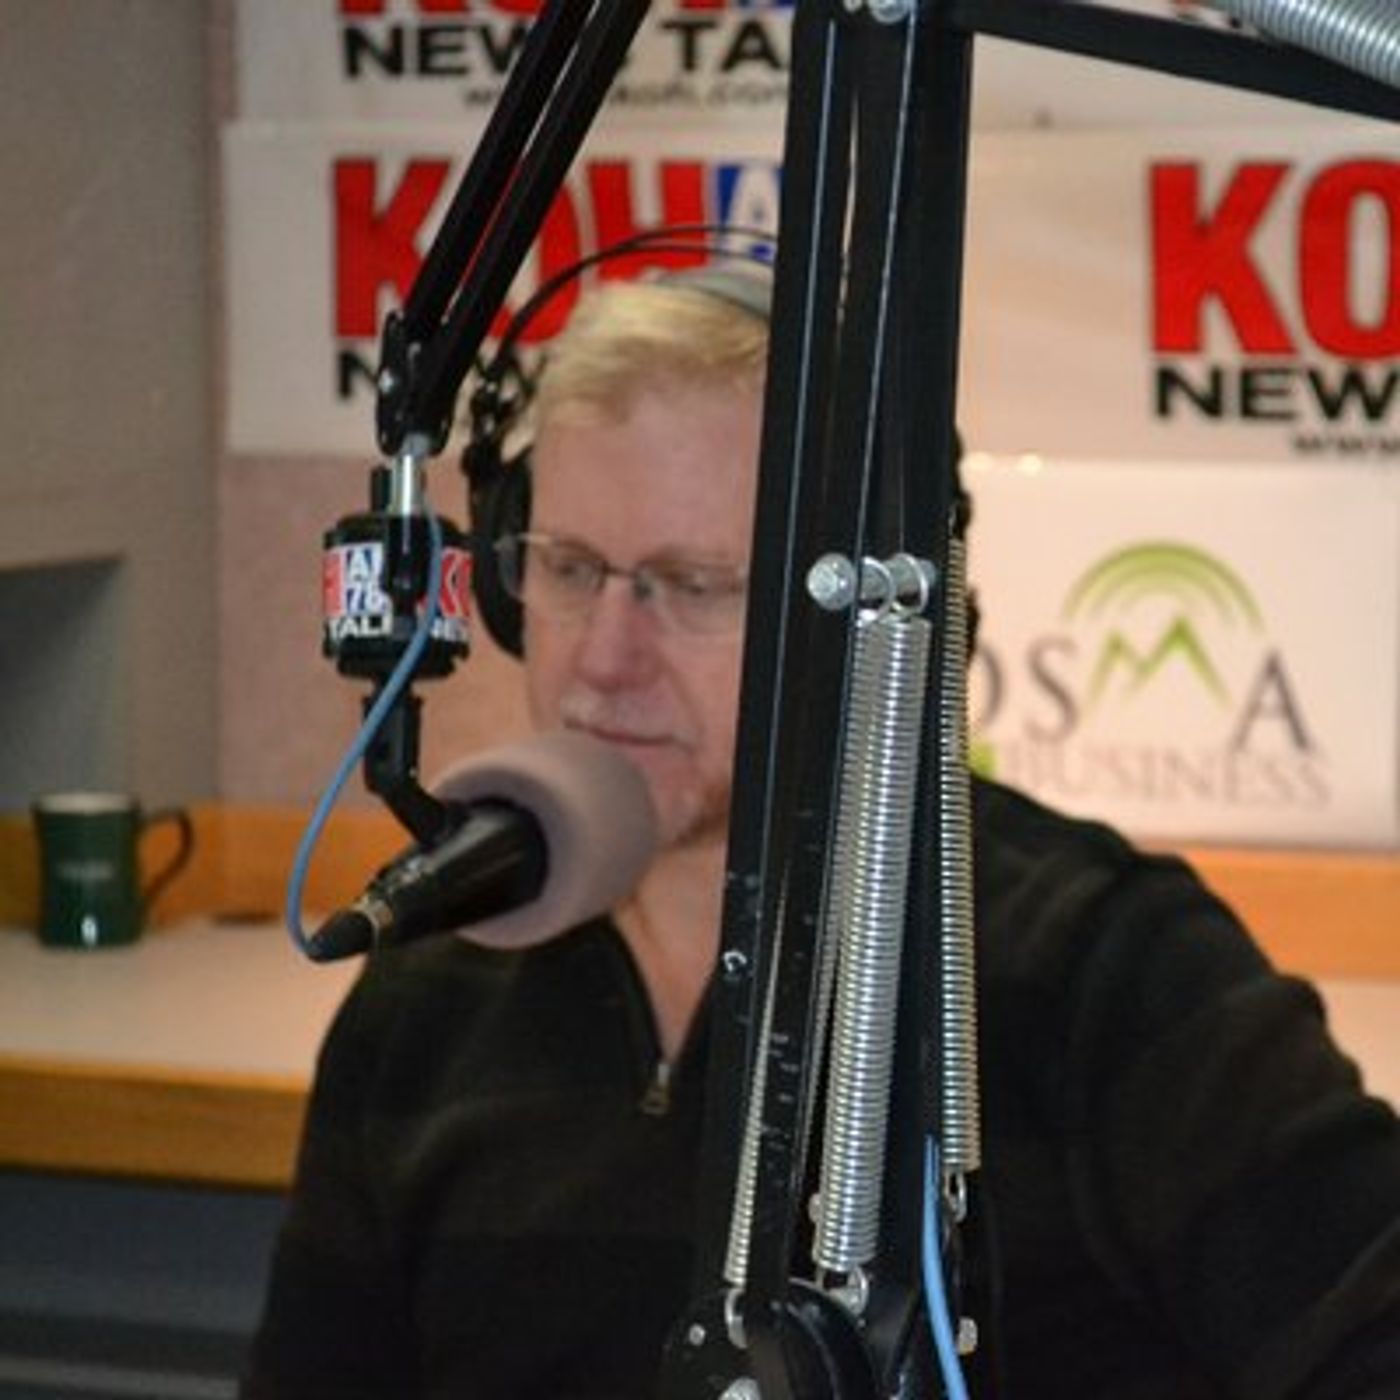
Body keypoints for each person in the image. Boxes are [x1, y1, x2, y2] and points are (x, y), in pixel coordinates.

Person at [243, 269, 1400, 1399]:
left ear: (872, 614)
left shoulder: (1105, 968)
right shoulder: (430, 996)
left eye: (693, 584)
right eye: (571, 568)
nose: (602, 656)